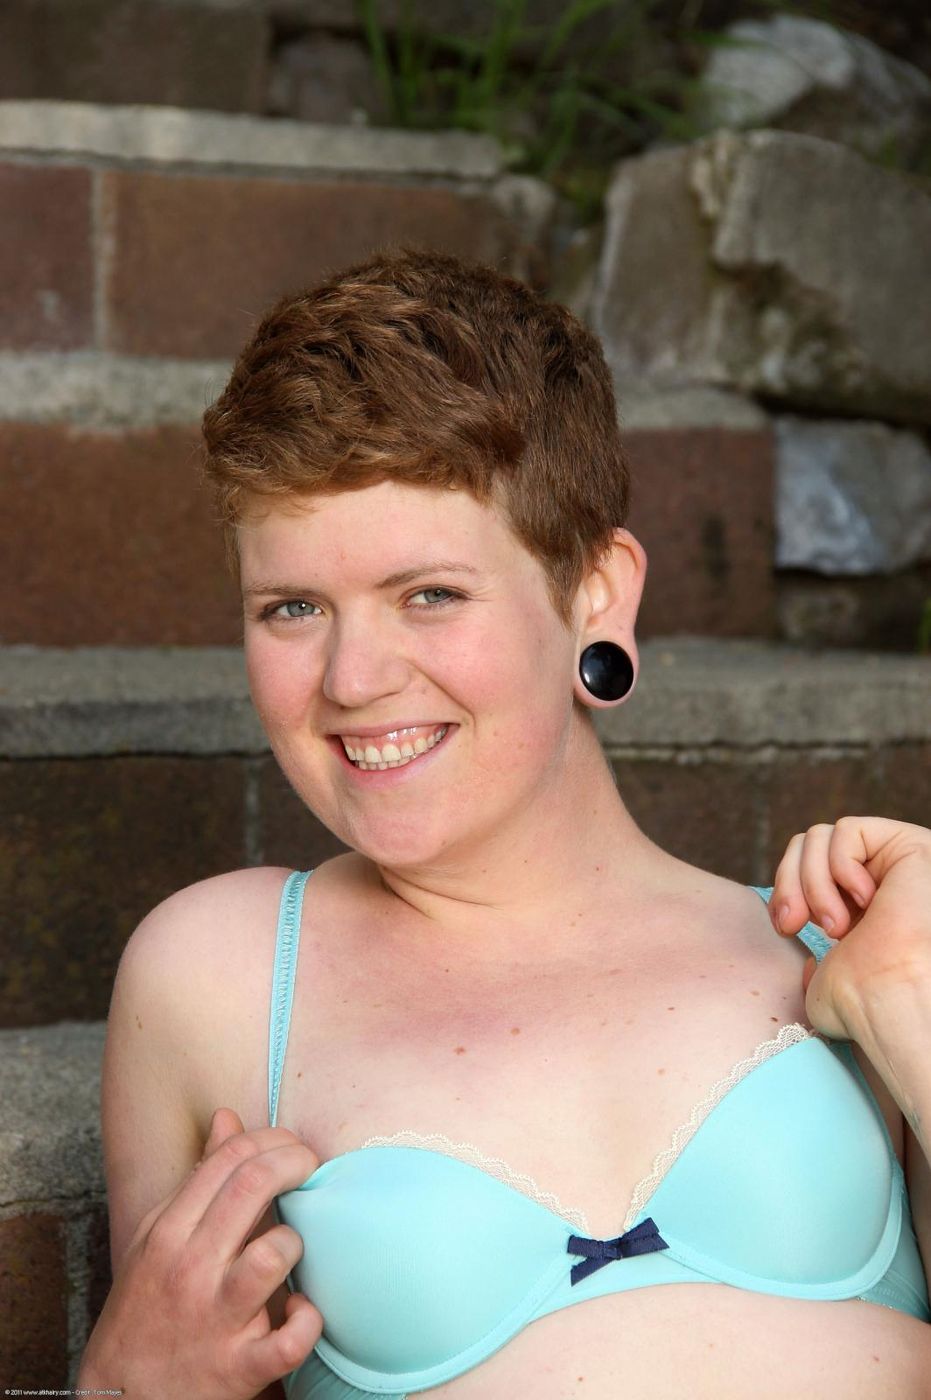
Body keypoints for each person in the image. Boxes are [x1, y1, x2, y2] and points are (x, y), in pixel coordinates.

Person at [78, 248, 931, 1399]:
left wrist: (913, 996)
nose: (352, 677)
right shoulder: (219, 976)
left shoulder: (844, 945)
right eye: (293, 606)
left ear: (596, 593)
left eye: (428, 593)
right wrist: (120, 1385)